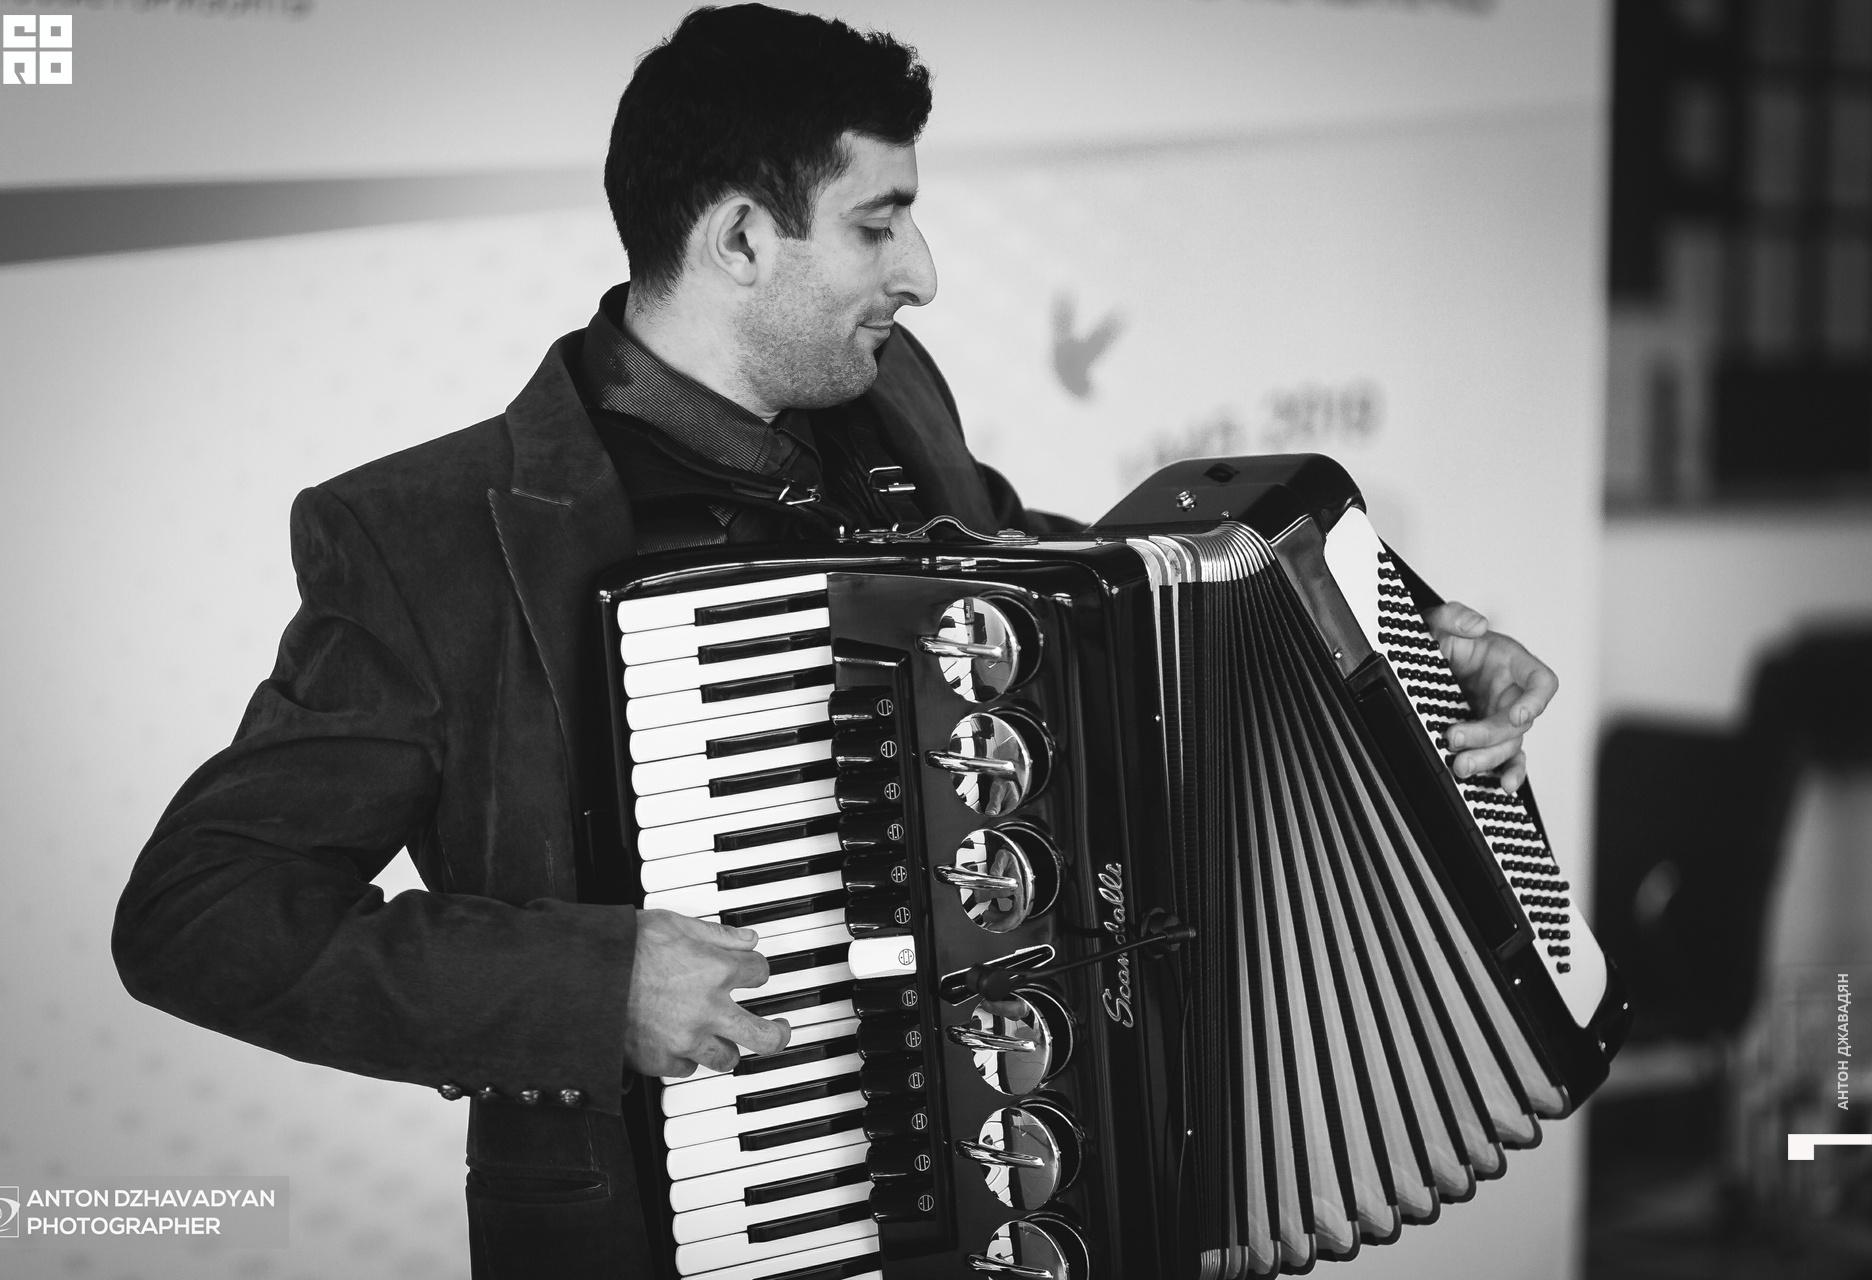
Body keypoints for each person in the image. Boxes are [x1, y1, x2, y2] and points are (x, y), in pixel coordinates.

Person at [109, 5, 1559, 1278]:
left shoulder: (890, 397)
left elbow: (1044, 577)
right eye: (878, 223)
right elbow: (202, 913)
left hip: (1031, 1178)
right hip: (679, 1230)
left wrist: (1406, 646)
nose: (920, 271)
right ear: (743, 237)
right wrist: (592, 986)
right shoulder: (434, 542)